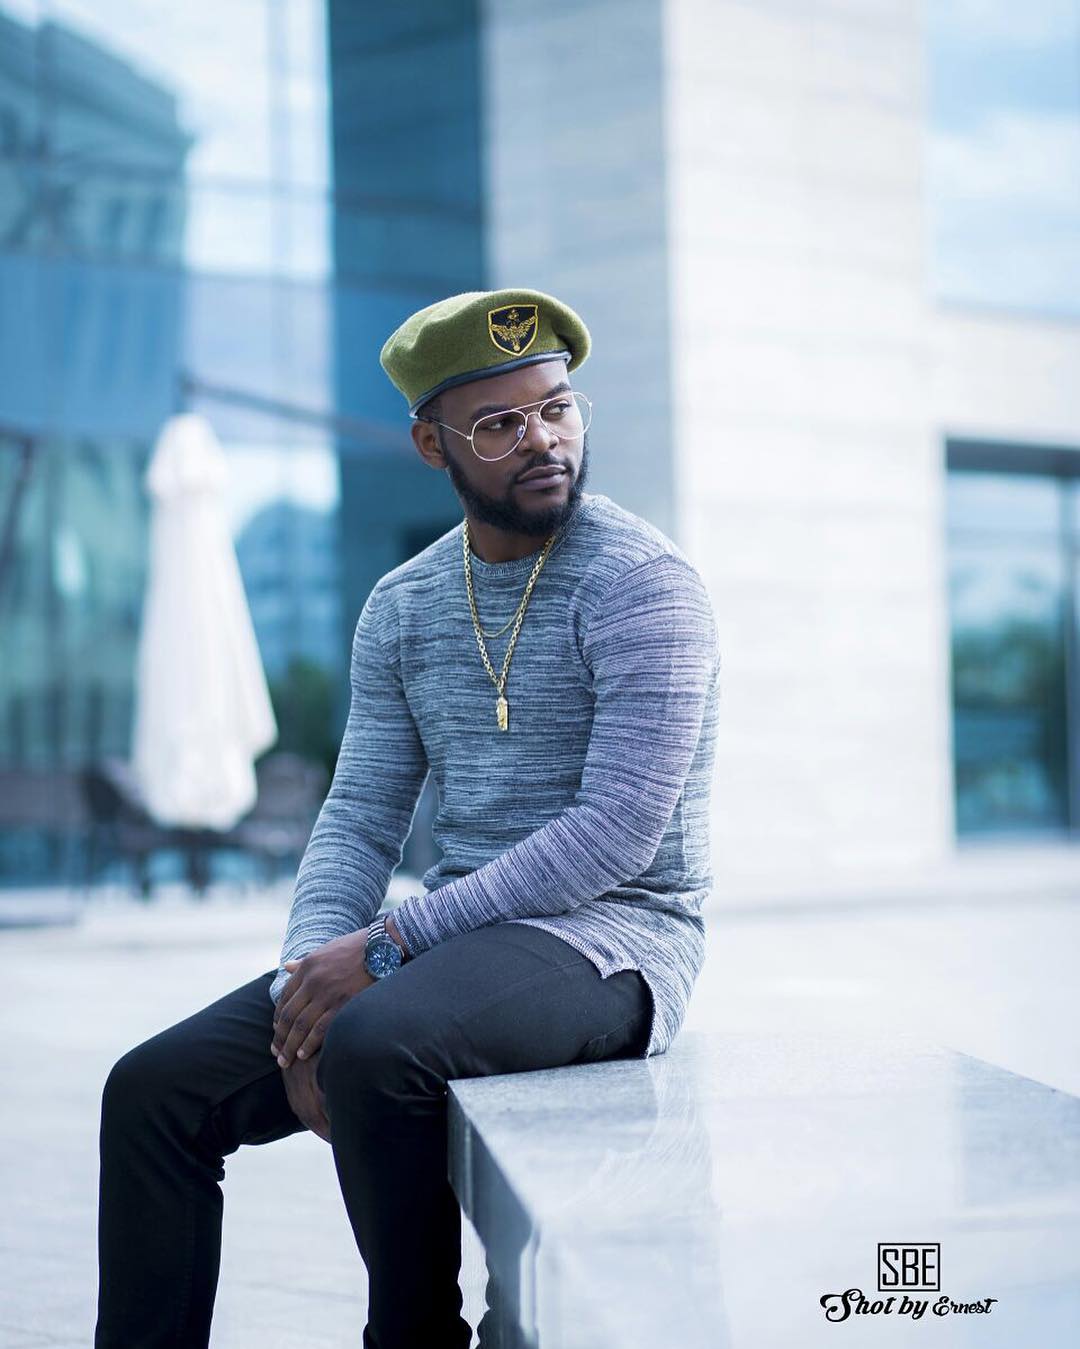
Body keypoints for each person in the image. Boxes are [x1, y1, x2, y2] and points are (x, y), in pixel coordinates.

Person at [94, 287, 722, 1349]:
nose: (543, 440)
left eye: (557, 408)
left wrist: (385, 948)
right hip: (458, 941)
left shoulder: (642, 584)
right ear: (434, 445)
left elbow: (617, 830)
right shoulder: (402, 605)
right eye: (500, 423)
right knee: (151, 1091)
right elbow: (358, 816)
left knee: (378, 1042)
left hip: (616, 937)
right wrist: (301, 984)